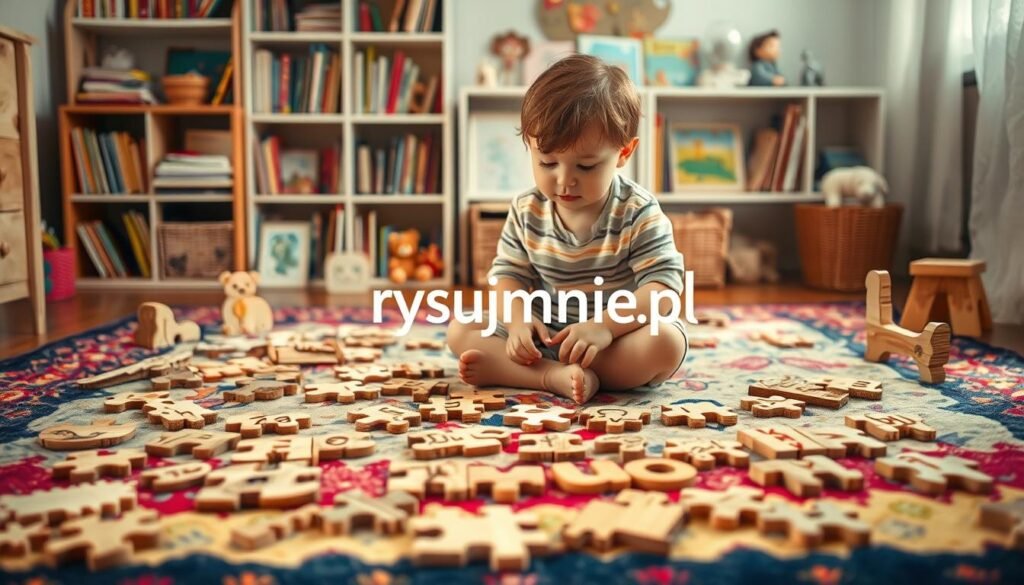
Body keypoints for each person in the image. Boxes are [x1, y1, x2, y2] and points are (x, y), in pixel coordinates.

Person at [446, 54, 689, 404]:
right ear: (529, 146)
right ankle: (552, 376)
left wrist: (605, 326)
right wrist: (518, 322)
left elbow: (663, 292)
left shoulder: (639, 212)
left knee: (665, 342)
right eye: (547, 162)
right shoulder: (526, 209)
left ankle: (529, 374)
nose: (564, 180)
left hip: (614, 340)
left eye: (586, 166)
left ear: (624, 152)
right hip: (548, 338)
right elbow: (508, 277)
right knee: (461, 328)